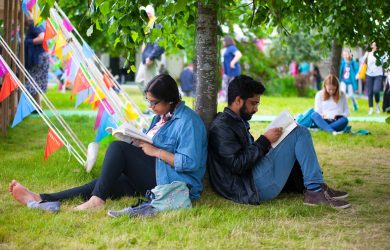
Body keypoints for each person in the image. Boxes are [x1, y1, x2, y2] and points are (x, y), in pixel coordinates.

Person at [9, 74, 208, 210]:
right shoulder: (161, 116)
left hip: (174, 182)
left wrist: (155, 151)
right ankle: (42, 198)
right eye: (148, 101)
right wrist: (136, 141)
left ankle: (96, 201)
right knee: (104, 182)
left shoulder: (188, 122)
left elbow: (190, 163)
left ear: (171, 101)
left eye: (153, 102)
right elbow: (150, 145)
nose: (150, 106)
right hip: (155, 174)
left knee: (117, 149)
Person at [208, 75, 350, 209]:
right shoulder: (222, 127)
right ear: (238, 100)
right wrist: (265, 140)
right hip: (248, 186)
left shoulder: (236, 121)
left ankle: (317, 187)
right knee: (300, 133)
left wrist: (270, 144)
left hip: (250, 180)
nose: (256, 109)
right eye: (253, 103)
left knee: (294, 130)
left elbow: (245, 155)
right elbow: (237, 164)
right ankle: (315, 191)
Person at [135, 5, 165, 93]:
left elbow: (160, 44)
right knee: (139, 80)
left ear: (150, 14)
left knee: (150, 84)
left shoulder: (156, 25)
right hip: (145, 57)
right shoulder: (147, 25)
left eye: (146, 14)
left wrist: (151, 57)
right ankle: (152, 102)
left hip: (151, 58)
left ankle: (153, 104)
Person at [25, 13, 49, 106]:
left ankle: (36, 106)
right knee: (36, 83)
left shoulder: (34, 24)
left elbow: (42, 37)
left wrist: (28, 42)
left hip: (38, 58)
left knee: (33, 83)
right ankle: (37, 106)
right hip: (40, 57)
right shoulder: (36, 24)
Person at [362, 42, 387, 115]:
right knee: (370, 92)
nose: (373, 46)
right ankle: (371, 108)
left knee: (376, 90)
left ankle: (377, 105)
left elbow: (385, 63)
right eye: (372, 44)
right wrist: (366, 56)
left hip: (378, 75)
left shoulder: (381, 53)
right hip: (369, 74)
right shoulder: (368, 53)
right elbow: (362, 62)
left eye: (374, 45)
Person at [219, 36, 242, 102]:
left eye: (224, 41)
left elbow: (239, 54)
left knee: (233, 86)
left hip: (233, 71)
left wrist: (232, 62)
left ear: (227, 41)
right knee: (225, 85)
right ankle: (225, 99)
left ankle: (234, 100)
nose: (223, 42)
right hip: (227, 71)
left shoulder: (232, 48)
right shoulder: (226, 49)